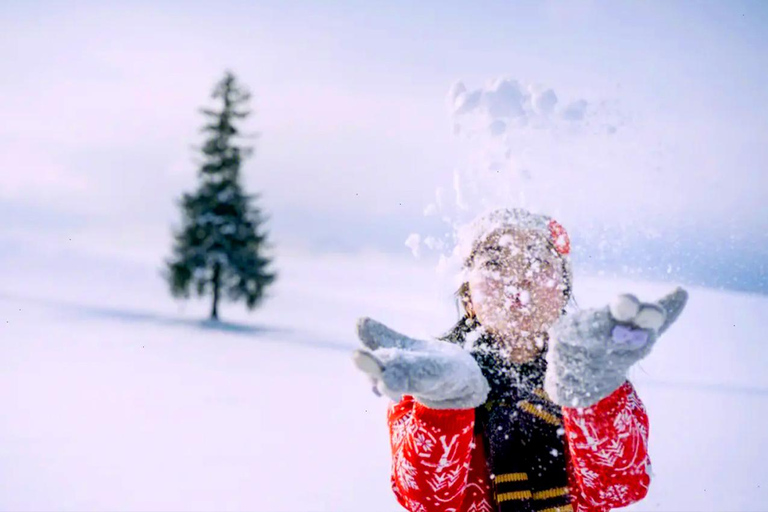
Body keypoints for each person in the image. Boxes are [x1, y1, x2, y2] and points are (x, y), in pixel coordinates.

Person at [353, 208, 688, 512]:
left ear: (563, 291)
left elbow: (618, 488)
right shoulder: (428, 376)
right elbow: (426, 500)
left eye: (539, 260)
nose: (519, 276)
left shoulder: (597, 373)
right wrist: (444, 405)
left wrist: (589, 394)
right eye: (494, 262)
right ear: (468, 296)